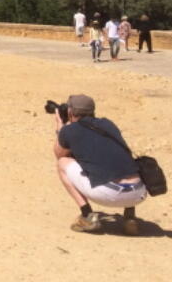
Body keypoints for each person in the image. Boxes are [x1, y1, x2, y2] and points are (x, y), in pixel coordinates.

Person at [53, 94, 146, 235]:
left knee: (62, 163)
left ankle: (87, 216)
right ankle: (129, 217)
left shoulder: (69, 131)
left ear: (70, 112)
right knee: (116, 162)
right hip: (139, 192)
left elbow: (60, 154)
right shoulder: (108, 124)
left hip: (108, 194)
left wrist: (60, 128)